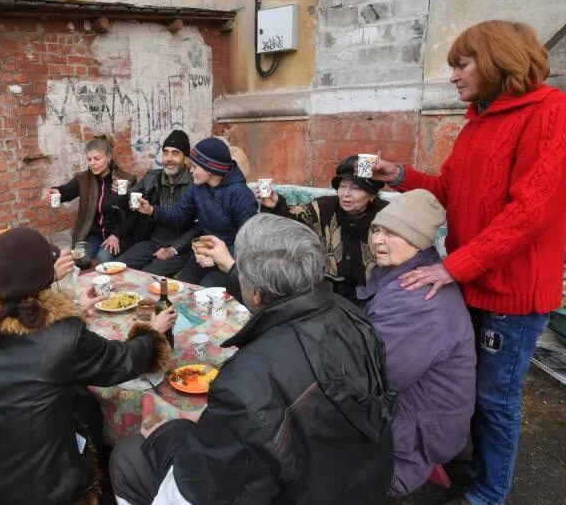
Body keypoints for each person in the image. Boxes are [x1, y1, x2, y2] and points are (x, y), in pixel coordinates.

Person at [368, 21, 566, 505]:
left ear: (498, 59)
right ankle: (468, 464)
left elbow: (529, 213)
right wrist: (401, 174)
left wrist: (452, 267)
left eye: (461, 64)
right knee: (466, 387)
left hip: (509, 294)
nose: (453, 76)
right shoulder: (479, 120)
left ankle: (490, 493)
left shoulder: (551, 112)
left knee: (496, 400)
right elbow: (451, 191)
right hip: (474, 280)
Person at [110, 214, 397, 504]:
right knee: (175, 430)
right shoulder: (350, 313)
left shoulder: (245, 382)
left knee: (128, 454)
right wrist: (232, 266)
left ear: (256, 293)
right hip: (362, 477)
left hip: (294, 489)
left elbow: (188, 494)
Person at [0, 227, 175, 505]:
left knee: (85, 404)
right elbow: (122, 361)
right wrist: (152, 333)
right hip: (44, 489)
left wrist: (75, 307)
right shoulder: (63, 334)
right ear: (45, 277)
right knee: (90, 409)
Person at [357, 189, 476, 496]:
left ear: (419, 239)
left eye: (393, 233)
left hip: (422, 429)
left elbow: (373, 376)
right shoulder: (403, 274)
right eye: (377, 230)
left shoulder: (418, 299)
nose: (378, 240)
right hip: (422, 412)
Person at [260, 154, 387, 302]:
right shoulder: (324, 207)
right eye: (342, 187)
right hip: (327, 293)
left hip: (373, 296)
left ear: (372, 195)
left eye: (355, 188)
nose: (346, 194)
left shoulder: (388, 215)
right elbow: (293, 219)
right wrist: (276, 205)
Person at [135, 137, 258, 287]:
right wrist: (151, 210)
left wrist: (217, 258)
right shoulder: (197, 186)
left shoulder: (241, 195)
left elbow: (249, 242)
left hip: (232, 258)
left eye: (194, 166)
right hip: (203, 252)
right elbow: (178, 214)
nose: (190, 171)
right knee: (184, 287)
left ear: (210, 170)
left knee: (207, 288)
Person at [116, 129, 200, 276]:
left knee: (147, 277)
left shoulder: (195, 184)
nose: (169, 158)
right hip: (152, 242)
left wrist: (174, 248)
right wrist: (123, 194)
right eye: (166, 152)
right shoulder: (152, 178)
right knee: (119, 268)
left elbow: (199, 227)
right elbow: (130, 200)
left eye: (175, 153)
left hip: (180, 248)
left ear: (186, 158)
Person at [47, 134, 137, 264]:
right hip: (94, 235)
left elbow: (133, 215)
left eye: (97, 159)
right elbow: (66, 191)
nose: (92, 164)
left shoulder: (125, 180)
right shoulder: (84, 179)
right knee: (81, 259)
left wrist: (116, 235)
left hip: (118, 235)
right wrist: (56, 191)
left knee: (102, 259)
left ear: (109, 157)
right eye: (89, 159)